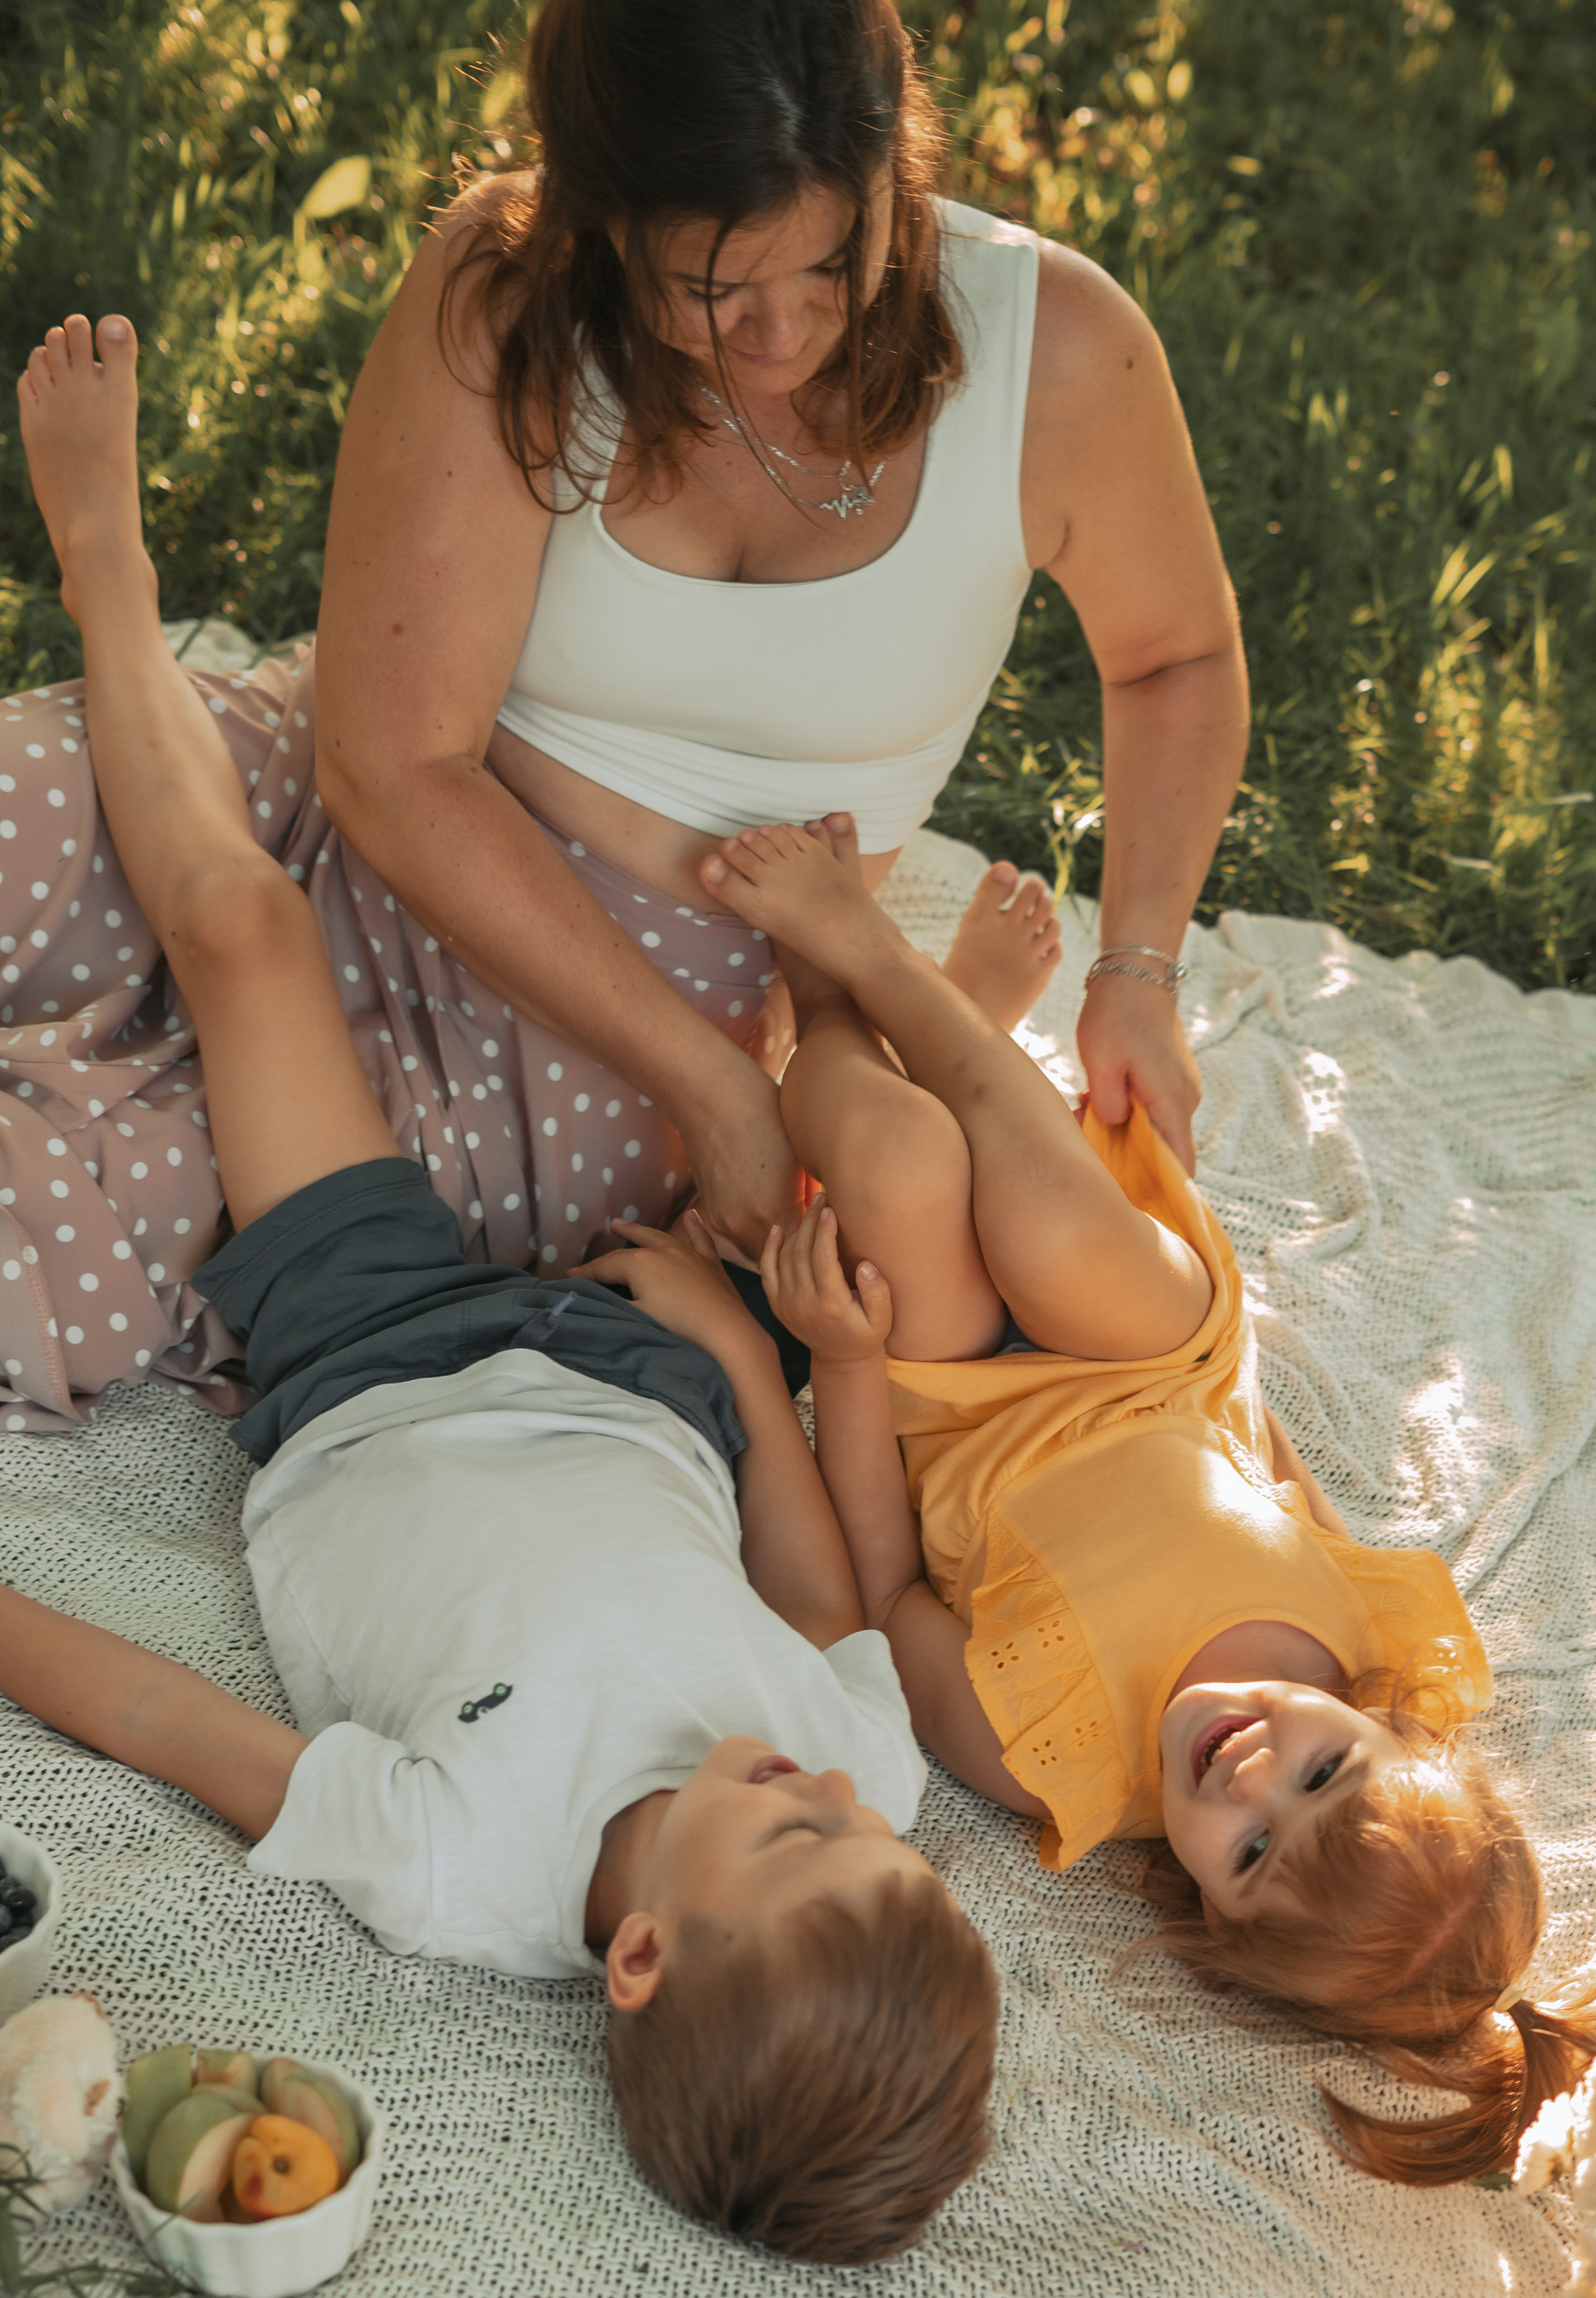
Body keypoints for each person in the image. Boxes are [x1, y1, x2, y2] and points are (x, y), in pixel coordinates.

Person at [0, 316, 996, 2264]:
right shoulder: (857, 1777)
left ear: (634, 1954)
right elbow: (812, 1598)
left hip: (362, 1354)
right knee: (696, 1013)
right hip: (638, 1363)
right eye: (860, 1829)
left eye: (796, 1839)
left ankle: (105, 563)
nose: (825, 1786)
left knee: (247, 936)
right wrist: (727, 1347)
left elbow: (161, 1722)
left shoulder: (455, 1866)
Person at [0, 0, 1247, 1432]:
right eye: (709, 289)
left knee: (64, 1221)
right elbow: (389, 762)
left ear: (894, 156)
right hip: (325, 807)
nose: (779, 331)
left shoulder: (1059, 352)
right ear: (597, 218)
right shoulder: (509, 282)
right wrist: (723, 1095)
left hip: (595, 1032)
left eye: (835, 260)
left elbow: (1176, 660)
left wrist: (1136, 968)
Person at [704, 814, 1594, 2186]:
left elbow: (882, 1591)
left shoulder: (1047, 1759)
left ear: (1213, 1918)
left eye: (1250, 1851)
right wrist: (1198, 1357)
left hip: (959, 1404)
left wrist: (845, 1358)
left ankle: (840, 1000)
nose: (1251, 1774)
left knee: (898, 1167)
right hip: (1144, 1356)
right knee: (1057, 1229)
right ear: (1397, 1726)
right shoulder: (1367, 1638)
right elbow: (1257, 1455)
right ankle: (892, 969)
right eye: (1324, 1770)